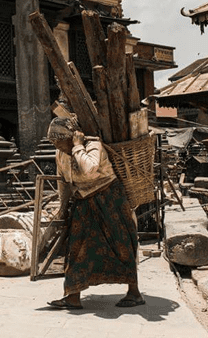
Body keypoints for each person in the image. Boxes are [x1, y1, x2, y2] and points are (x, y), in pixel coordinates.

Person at [46, 117, 144, 310]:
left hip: (110, 199)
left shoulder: (93, 145)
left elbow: (89, 170)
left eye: (59, 141)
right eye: (54, 143)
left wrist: (77, 146)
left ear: (72, 136)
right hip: (83, 200)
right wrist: (62, 207)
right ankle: (72, 296)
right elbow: (63, 182)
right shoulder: (60, 153)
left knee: (121, 243)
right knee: (77, 247)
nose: (57, 146)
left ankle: (134, 292)